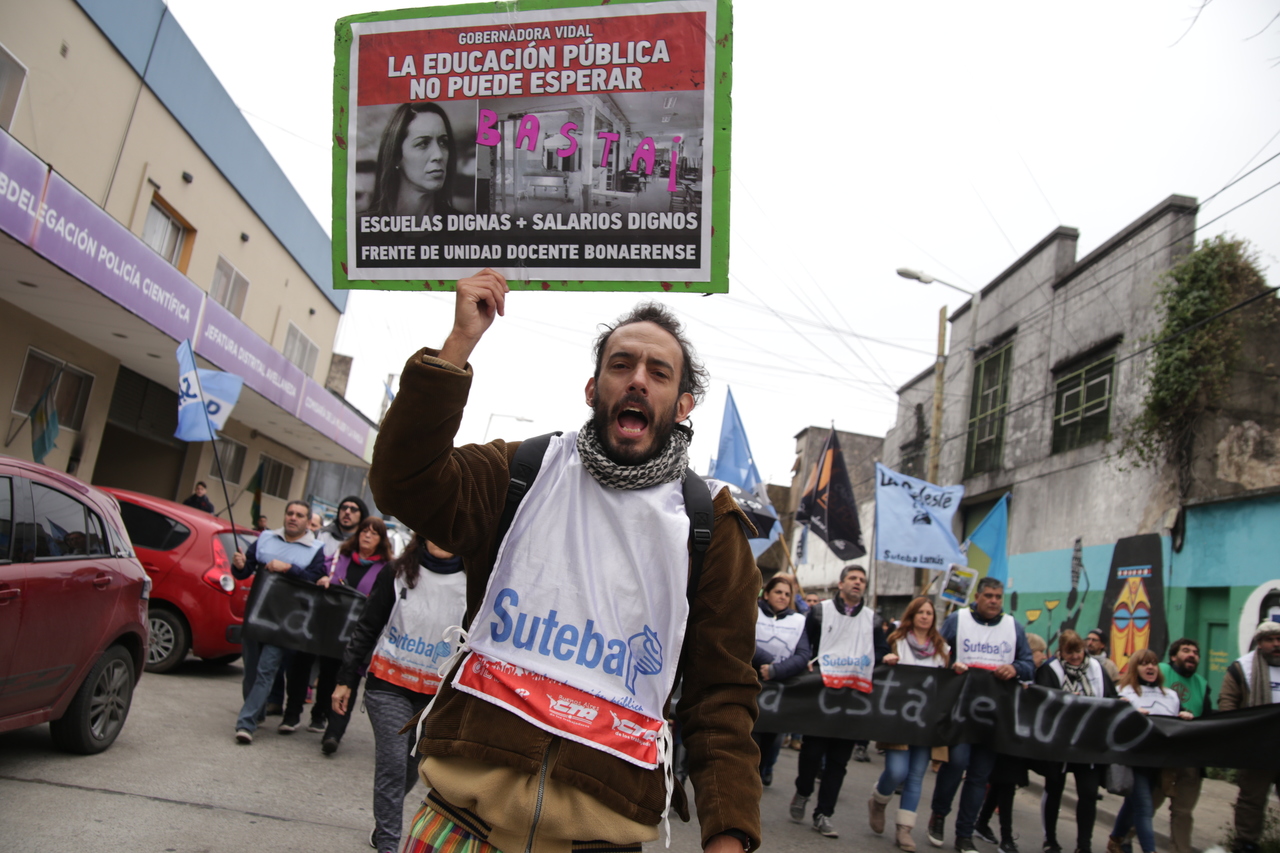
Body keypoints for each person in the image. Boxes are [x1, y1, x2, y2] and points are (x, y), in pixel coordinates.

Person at [369, 270, 762, 853]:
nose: (636, 381)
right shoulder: (521, 472)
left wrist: (728, 835)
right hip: (462, 821)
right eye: (621, 365)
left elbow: (721, 698)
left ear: (682, 406)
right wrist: (458, 347)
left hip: (604, 836)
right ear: (592, 388)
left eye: (658, 373)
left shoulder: (711, 531)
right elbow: (403, 484)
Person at [334, 533, 468, 853]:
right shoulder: (395, 573)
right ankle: (389, 844)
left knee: (412, 769)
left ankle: (383, 826)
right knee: (393, 765)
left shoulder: (473, 582)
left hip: (433, 697)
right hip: (388, 685)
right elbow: (367, 626)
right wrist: (345, 679)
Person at [927, 577, 1035, 852]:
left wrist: (1016, 669)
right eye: (988, 596)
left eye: (998, 596)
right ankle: (939, 813)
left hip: (993, 716)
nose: (994, 601)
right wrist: (950, 664)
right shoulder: (958, 620)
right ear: (977, 596)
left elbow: (1028, 664)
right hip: (960, 710)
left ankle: (964, 833)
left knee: (980, 775)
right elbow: (936, 653)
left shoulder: (1013, 627)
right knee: (957, 762)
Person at [790, 564, 889, 838]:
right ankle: (803, 790)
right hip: (822, 696)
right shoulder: (820, 612)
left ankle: (824, 813)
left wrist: (883, 658)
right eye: (853, 578)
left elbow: (881, 650)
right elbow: (805, 643)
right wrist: (806, 662)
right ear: (841, 583)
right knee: (811, 752)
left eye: (862, 580)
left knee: (838, 761)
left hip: (852, 700)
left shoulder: (872, 619)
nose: (858, 583)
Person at [280, 516, 393, 752]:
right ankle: (292, 714)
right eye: (364, 530)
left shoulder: (386, 569)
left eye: (374, 532)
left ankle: (334, 732)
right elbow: (315, 573)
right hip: (323, 629)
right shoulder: (338, 557)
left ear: (382, 539)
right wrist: (322, 578)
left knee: (343, 679)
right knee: (303, 667)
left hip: (354, 638)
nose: (367, 535)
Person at [230, 500, 325, 743]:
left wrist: (289, 568)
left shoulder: (316, 549)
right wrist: (238, 565)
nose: (293, 518)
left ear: (307, 521)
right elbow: (245, 570)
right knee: (250, 672)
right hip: (256, 616)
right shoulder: (265, 539)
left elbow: (315, 580)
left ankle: (246, 723)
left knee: (266, 671)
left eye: (300, 515)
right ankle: (258, 711)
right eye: (290, 513)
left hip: (284, 622)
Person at [869, 596, 950, 852]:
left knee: (916, 776)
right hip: (899, 718)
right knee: (896, 771)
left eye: (929, 612)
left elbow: (946, 684)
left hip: (926, 722)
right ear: (912, 615)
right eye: (921, 612)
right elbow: (881, 670)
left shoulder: (942, 649)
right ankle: (878, 801)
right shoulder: (897, 642)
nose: (926, 616)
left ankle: (904, 830)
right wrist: (887, 661)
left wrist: (956, 670)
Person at [1035, 630, 1117, 853]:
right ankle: (1050, 840)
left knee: (1089, 793)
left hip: (1088, 743)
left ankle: (1084, 846)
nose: (1075, 657)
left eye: (1078, 651)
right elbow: (1043, 703)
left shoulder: (1097, 670)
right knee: (1054, 790)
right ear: (1061, 652)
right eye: (1069, 653)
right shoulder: (1050, 671)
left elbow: (1111, 698)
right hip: (1059, 743)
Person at [1106, 649, 1193, 853]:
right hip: (1134, 759)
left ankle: (1116, 839)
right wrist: (1126, 712)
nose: (1150, 667)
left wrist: (1184, 716)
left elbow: (1180, 718)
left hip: (1159, 761)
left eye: (1153, 662)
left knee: (1133, 803)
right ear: (1135, 668)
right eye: (1144, 663)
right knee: (1144, 807)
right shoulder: (1124, 692)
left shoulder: (1170, 695)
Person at [1218, 620, 1280, 853]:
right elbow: (1228, 703)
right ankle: (1246, 843)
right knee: (1251, 801)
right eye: (1270, 640)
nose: (1276, 644)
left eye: (1279, 639)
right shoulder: (1242, 668)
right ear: (1259, 643)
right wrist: (1238, 736)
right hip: (1258, 747)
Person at [753, 575, 812, 786]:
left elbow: (804, 654)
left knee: (770, 743)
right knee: (750, 743)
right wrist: (766, 662)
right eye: (778, 592)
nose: (783, 597)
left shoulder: (799, 621)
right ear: (766, 594)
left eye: (787, 594)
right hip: (753, 684)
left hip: (778, 690)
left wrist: (777, 670)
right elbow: (743, 638)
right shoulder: (752, 612)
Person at [1154, 638, 1212, 853]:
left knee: (1183, 812)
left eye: (1196, 652)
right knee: (1148, 804)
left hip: (1190, 758)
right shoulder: (1159, 672)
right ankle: (1121, 839)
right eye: (1186, 650)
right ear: (1173, 656)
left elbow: (1207, 720)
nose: (1192, 655)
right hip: (1162, 755)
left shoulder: (1202, 684)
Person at [362, 102, 459, 219]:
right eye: (423, 143)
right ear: (397, 157)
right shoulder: (364, 229)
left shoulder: (464, 228)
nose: (438, 155)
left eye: (443, 142)